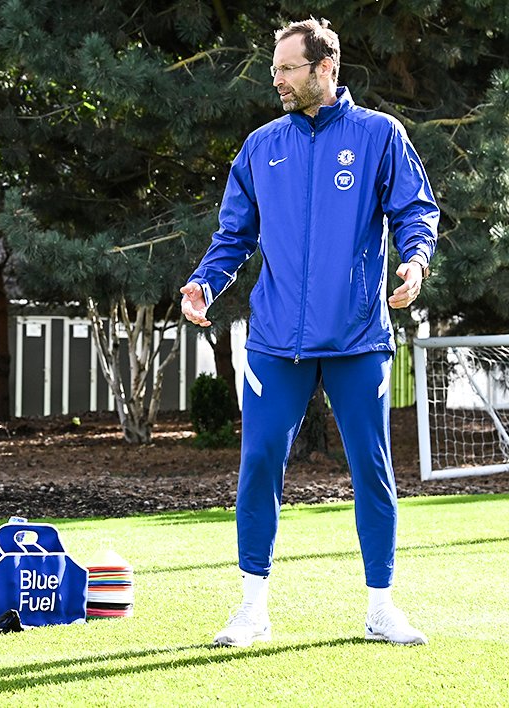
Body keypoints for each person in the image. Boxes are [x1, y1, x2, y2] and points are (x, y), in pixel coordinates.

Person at [181, 18, 438, 648]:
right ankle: (251, 609)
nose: (277, 79)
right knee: (259, 464)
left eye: (288, 68)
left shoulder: (379, 135)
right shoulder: (260, 146)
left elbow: (414, 211)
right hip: (274, 342)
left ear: (325, 68)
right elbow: (234, 236)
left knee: (372, 468)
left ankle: (381, 608)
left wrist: (414, 261)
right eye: (274, 69)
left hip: (356, 338)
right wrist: (204, 283)